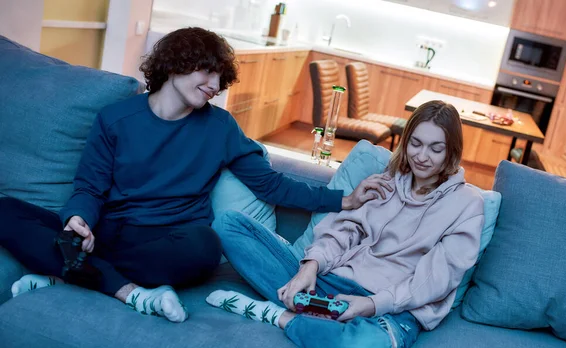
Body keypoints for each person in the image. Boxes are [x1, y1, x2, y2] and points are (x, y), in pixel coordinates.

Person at [0, 27, 391, 323]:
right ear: (174, 64)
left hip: (171, 241)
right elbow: (89, 186)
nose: (215, 87)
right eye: (207, 72)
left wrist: (344, 199)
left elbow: (270, 184)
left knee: (204, 247)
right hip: (110, 231)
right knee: (5, 210)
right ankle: (131, 292)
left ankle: (67, 272)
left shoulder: (220, 127)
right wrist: (78, 221)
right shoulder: (116, 119)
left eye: (221, 78)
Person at [206, 100, 485, 348]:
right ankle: (313, 308)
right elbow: (344, 232)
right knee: (229, 224)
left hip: (390, 309)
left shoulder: (467, 204)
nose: (422, 156)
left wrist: (372, 305)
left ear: (451, 152)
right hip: (330, 283)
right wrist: (310, 266)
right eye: (415, 144)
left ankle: (283, 315)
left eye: (436, 149)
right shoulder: (387, 180)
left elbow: (436, 279)